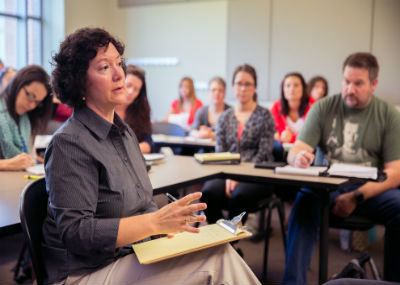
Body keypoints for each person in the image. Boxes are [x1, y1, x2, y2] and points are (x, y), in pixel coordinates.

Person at [43, 27, 261, 285]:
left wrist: (167, 229)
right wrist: (155, 223)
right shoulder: (69, 143)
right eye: (104, 67)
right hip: (85, 273)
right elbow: (77, 233)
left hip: (132, 254)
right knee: (217, 261)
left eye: (119, 63)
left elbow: (143, 203)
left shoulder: (124, 133)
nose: (118, 73)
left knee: (218, 247)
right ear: (79, 82)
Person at [282, 52, 400, 284]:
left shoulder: (388, 115)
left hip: (370, 190)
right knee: (304, 200)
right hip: (329, 187)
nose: (349, 89)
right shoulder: (323, 108)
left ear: (374, 84)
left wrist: (357, 196)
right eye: (346, 81)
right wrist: (298, 158)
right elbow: (296, 150)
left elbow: (395, 173)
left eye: (358, 84)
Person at [200, 64, 275, 224]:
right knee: (207, 192)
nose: (243, 88)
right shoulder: (224, 117)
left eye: (248, 84)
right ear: (233, 86)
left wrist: (238, 176)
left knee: (239, 196)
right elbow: (220, 154)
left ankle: (230, 241)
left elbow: (264, 154)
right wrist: (230, 175)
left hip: (257, 174)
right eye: (239, 83)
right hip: (226, 172)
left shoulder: (265, 116)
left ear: (255, 87)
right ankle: (222, 240)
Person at [0, 65, 53, 169]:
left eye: (37, 102)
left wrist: (34, 160)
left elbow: (23, 154)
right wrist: (7, 164)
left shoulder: (25, 119)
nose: (32, 105)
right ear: (18, 84)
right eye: (30, 96)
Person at [115, 64, 153, 153]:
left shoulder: (141, 112)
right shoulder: (105, 108)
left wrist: (129, 150)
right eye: (128, 85)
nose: (131, 92)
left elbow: (148, 142)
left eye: (136, 89)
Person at [270, 72, 312, 144]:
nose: (292, 89)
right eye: (288, 85)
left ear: (303, 88)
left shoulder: (313, 106)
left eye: (296, 85)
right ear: (283, 89)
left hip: (307, 150)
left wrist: (292, 138)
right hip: (282, 150)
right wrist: (276, 136)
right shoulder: (276, 107)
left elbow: (313, 136)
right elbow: (269, 131)